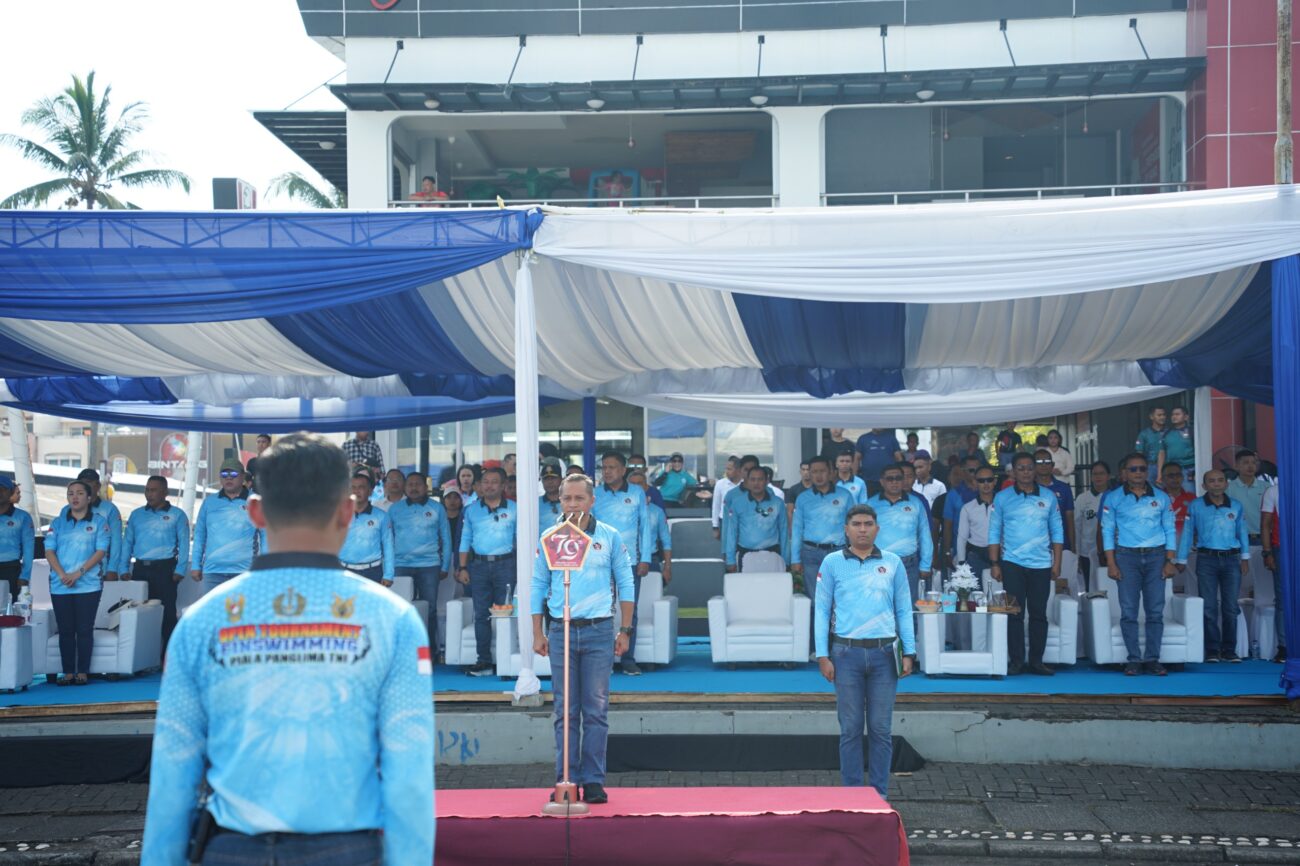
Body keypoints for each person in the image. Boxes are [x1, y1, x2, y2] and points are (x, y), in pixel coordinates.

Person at [141, 432, 434, 866]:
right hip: (349, 849)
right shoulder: (394, 621)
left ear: (255, 512)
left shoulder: (201, 622)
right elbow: (408, 773)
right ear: (348, 512)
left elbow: (172, 769)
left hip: (230, 849)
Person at [531, 474, 635, 806]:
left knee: (596, 710)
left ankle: (592, 780)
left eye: (579, 498)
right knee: (565, 710)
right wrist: (537, 631)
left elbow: (626, 583)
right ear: (559, 501)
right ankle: (567, 777)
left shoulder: (610, 537)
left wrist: (626, 629)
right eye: (567, 499)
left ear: (592, 502)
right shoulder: (550, 538)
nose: (572, 504)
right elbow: (536, 585)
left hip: (599, 631)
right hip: (561, 630)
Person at [815, 504, 914, 797]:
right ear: (846, 530)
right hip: (846, 654)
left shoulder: (893, 562)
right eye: (856, 524)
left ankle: (879, 794)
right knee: (850, 728)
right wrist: (822, 655)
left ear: (877, 528)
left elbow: (904, 610)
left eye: (868, 523)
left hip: (885, 654)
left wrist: (909, 652)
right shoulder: (832, 563)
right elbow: (821, 611)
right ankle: (852, 794)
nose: (862, 529)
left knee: (881, 729)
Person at [1101, 452, 1178, 677]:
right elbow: (1106, 531)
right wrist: (1111, 562)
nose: (1137, 473)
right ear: (1125, 473)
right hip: (1126, 557)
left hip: (1156, 556)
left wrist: (1170, 560)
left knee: (1155, 610)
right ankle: (1133, 660)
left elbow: (1170, 529)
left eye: (1142, 469)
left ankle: (1153, 659)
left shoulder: (1162, 497)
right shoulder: (1114, 497)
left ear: (1148, 471)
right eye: (1133, 469)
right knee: (1129, 611)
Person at [988, 452, 1064, 676]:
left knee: (1039, 614)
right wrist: (995, 563)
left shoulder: (1049, 497)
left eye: (1029, 467)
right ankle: (1017, 662)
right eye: (1020, 468)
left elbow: (1057, 531)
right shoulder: (1002, 498)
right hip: (1012, 563)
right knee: (1014, 613)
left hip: (1041, 564)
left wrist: (1056, 563)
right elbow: (994, 531)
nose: (1025, 472)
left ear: (1035, 470)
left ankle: (1037, 661)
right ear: (1013, 471)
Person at [1176, 469, 1250, 663]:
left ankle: (1229, 649)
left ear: (1226, 484)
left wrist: (1245, 557)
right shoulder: (1196, 506)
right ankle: (1212, 649)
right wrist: (1181, 559)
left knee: (1230, 606)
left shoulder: (1236, 506)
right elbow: (1187, 532)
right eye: (1211, 481)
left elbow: (1242, 532)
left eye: (1220, 480)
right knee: (1208, 607)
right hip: (1206, 559)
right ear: (1204, 486)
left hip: (1232, 560)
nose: (1216, 484)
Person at [43, 481, 110, 686]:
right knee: (65, 629)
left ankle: (82, 671)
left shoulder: (99, 522)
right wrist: (64, 574)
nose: (75, 497)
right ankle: (68, 672)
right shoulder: (57, 523)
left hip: (88, 584)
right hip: (60, 584)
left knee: (83, 628)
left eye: (80, 493)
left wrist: (78, 574)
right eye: (70, 493)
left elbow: (100, 551)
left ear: (89, 498)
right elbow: (49, 551)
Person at [594, 452, 654, 676]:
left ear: (623, 470)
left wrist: (645, 557)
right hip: (601, 562)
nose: (607, 471)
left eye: (612, 467)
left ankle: (628, 659)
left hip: (630, 561)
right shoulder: (595, 494)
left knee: (630, 610)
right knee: (601, 610)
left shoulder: (637, 492)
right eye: (604, 467)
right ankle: (603, 660)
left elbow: (644, 528)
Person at [456, 466, 516, 676]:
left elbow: (523, 539)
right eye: (485, 482)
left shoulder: (515, 508)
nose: (489, 486)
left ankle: (506, 660)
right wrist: (462, 567)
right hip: (479, 566)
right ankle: (484, 661)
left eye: (494, 482)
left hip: (506, 565)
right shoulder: (471, 510)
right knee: (481, 614)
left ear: (503, 486)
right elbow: (465, 539)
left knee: (506, 613)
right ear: (480, 485)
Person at [791, 456, 857, 645]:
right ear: (808, 474)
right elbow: (797, 529)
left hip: (839, 553)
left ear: (831, 472)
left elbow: (853, 526)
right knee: (816, 600)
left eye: (822, 471)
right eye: (814, 472)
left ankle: (841, 642)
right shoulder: (803, 498)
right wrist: (795, 559)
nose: (818, 475)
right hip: (811, 553)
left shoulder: (845, 495)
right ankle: (817, 645)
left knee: (842, 599)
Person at [123, 476, 190, 652]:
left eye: (154, 490)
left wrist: (180, 569)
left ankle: (167, 656)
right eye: (147, 490)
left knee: (167, 614)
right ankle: (142, 657)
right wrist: (123, 568)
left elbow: (184, 544)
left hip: (165, 569)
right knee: (139, 613)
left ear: (165, 492)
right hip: (139, 569)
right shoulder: (136, 515)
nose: (149, 494)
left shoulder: (177, 515)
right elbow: (127, 543)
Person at [389, 470, 452, 650]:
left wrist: (445, 565)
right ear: (404, 487)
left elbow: (446, 539)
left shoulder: (437, 508)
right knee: (401, 609)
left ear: (426, 487)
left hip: (429, 566)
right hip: (400, 565)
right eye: (410, 484)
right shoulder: (395, 509)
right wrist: (389, 568)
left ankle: (429, 651)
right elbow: (387, 540)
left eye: (418, 484)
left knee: (429, 610)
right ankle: (404, 651)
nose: (413, 488)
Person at [189, 458, 259, 594]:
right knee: (211, 614)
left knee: (242, 614)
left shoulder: (255, 502)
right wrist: (196, 565)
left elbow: (265, 535)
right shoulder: (209, 502)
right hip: (213, 572)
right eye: (224, 475)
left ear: (243, 476)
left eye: (233, 474)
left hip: (244, 571)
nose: (228, 478)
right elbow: (199, 534)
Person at [867, 463, 933, 595]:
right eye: (890, 479)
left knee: (908, 608)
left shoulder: (916, 503)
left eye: (898, 478)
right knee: (880, 607)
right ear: (882, 482)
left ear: (903, 481)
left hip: (908, 565)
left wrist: (925, 565)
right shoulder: (870, 505)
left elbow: (925, 534)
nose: (894, 482)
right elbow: (862, 535)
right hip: (878, 563)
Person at [724, 465, 790, 572]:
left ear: (766, 481)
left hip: (772, 554)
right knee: (747, 588)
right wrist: (730, 560)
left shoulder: (778, 503)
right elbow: (732, 533)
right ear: (747, 481)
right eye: (753, 479)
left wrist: (786, 559)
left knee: (773, 588)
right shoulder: (737, 503)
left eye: (760, 479)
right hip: (746, 555)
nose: (756, 483)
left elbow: (784, 532)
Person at [338, 472, 396, 586]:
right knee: (346, 604)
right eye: (352, 487)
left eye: (361, 487)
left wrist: (389, 574)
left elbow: (388, 546)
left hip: (372, 572)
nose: (356, 491)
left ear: (370, 491)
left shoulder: (382, 516)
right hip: (344, 570)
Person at [68, 469, 124, 581]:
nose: (85, 487)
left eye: (89, 483)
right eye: (82, 483)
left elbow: (116, 542)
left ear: (97, 486)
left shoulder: (109, 509)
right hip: (72, 570)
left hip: (99, 571)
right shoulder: (67, 510)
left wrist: (112, 569)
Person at [1074, 461, 1113, 590]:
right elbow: (1077, 528)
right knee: (1090, 590)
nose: (1098, 477)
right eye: (1095, 474)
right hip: (1087, 552)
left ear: (1108, 476)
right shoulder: (1082, 499)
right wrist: (1077, 554)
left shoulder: (1115, 497)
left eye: (1102, 473)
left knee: (1110, 588)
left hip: (1111, 553)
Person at [630, 469, 672, 586]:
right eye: (632, 484)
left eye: (639, 483)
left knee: (652, 595)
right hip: (627, 558)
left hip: (651, 558)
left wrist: (667, 567)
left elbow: (666, 541)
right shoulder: (619, 510)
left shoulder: (657, 512)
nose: (636, 487)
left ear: (646, 486)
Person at [1260, 482, 1286, 663]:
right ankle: (1284, 647)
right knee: (1284, 599)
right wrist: (1267, 552)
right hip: (1281, 549)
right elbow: (1266, 524)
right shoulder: (1274, 491)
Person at [957, 465, 998, 577]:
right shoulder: (967, 508)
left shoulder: (1003, 505)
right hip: (976, 557)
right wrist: (961, 563)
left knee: (1000, 593)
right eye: (981, 481)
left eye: (989, 480)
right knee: (976, 593)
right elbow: (962, 537)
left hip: (1000, 556)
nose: (986, 484)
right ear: (975, 482)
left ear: (995, 481)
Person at [941, 458, 980, 571]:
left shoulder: (987, 492)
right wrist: (947, 552)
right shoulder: (953, 494)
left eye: (978, 470)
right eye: (971, 470)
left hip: (985, 550)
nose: (975, 473)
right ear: (964, 471)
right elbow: (947, 526)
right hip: (960, 548)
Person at [1033, 448, 1075, 552]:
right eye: (1039, 462)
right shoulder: (1028, 489)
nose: (1043, 465)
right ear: (1033, 466)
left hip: (1061, 544)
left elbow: (1070, 520)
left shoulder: (1064, 488)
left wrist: (1073, 548)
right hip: (1035, 547)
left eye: (1047, 462)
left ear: (1052, 465)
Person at [0, 476, 34, 606]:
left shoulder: (23, 517)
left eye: (3, 489)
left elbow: (29, 549)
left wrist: (25, 576)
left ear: (10, 492)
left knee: (9, 612)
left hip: (11, 570)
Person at [854, 429, 902, 495]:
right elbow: (856, 458)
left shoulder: (891, 438)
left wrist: (901, 476)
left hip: (889, 480)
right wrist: (854, 477)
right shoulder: (863, 438)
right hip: (868, 480)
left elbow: (899, 458)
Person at [1159, 462, 1196, 543]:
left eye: (1178, 475)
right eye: (1171, 476)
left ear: (1183, 477)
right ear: (1162, 479)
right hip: (1163, 546)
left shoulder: (1192, 499)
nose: (1175, 478)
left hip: (1188, 546)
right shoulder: (1157, 499)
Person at [1159, 407, 1195, 490]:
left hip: (1188, 469)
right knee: (1169, 495)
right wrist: (1160, 473)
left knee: (1188, 494)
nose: (1174, 416)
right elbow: (1162, 453)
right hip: (1170, 470)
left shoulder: (1192, 431)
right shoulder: (1166, 433)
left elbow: (1200, 452)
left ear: (1186, 417)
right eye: (1173, 414)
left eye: (1177, 414)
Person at [711, 456, 742, 541]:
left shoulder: (745, 484)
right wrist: (715, 526)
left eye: (729, 469)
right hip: (725, 521)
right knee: (726, 549)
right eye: (726, 469)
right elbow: (716, 506)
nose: (726, 472)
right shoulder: (720, 484)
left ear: (738, 470)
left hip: (742, 521)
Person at [1134, 407, 1167, 473]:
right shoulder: (1144, 434)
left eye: (1164, 415)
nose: (1162, 417)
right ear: (1151, 417)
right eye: (1159, 415)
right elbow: (1139, 453)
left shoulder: (1169, 432)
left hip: (1167, 466)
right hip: (1150, 466)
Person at [539, 462, 564, 533]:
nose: (550, 482)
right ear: (542, 481)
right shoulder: (535, 505)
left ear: (561, 479)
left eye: (553, 478)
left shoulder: (569, 503)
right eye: (546, 479)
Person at [785, 460, 813, 524]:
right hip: (799, 524)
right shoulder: (793, 489)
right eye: (803, 469)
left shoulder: (818, 488)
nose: (806, 472)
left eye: (808, 469)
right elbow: (789, 512)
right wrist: (791, 529)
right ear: (800, 471)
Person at [443, 488, 466, 556]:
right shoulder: (439, 518)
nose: (452, 501)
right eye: (449, 498)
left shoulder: (466, 518)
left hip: (461, 554)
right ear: (444, 500)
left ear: (461, 500)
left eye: (456, 497)